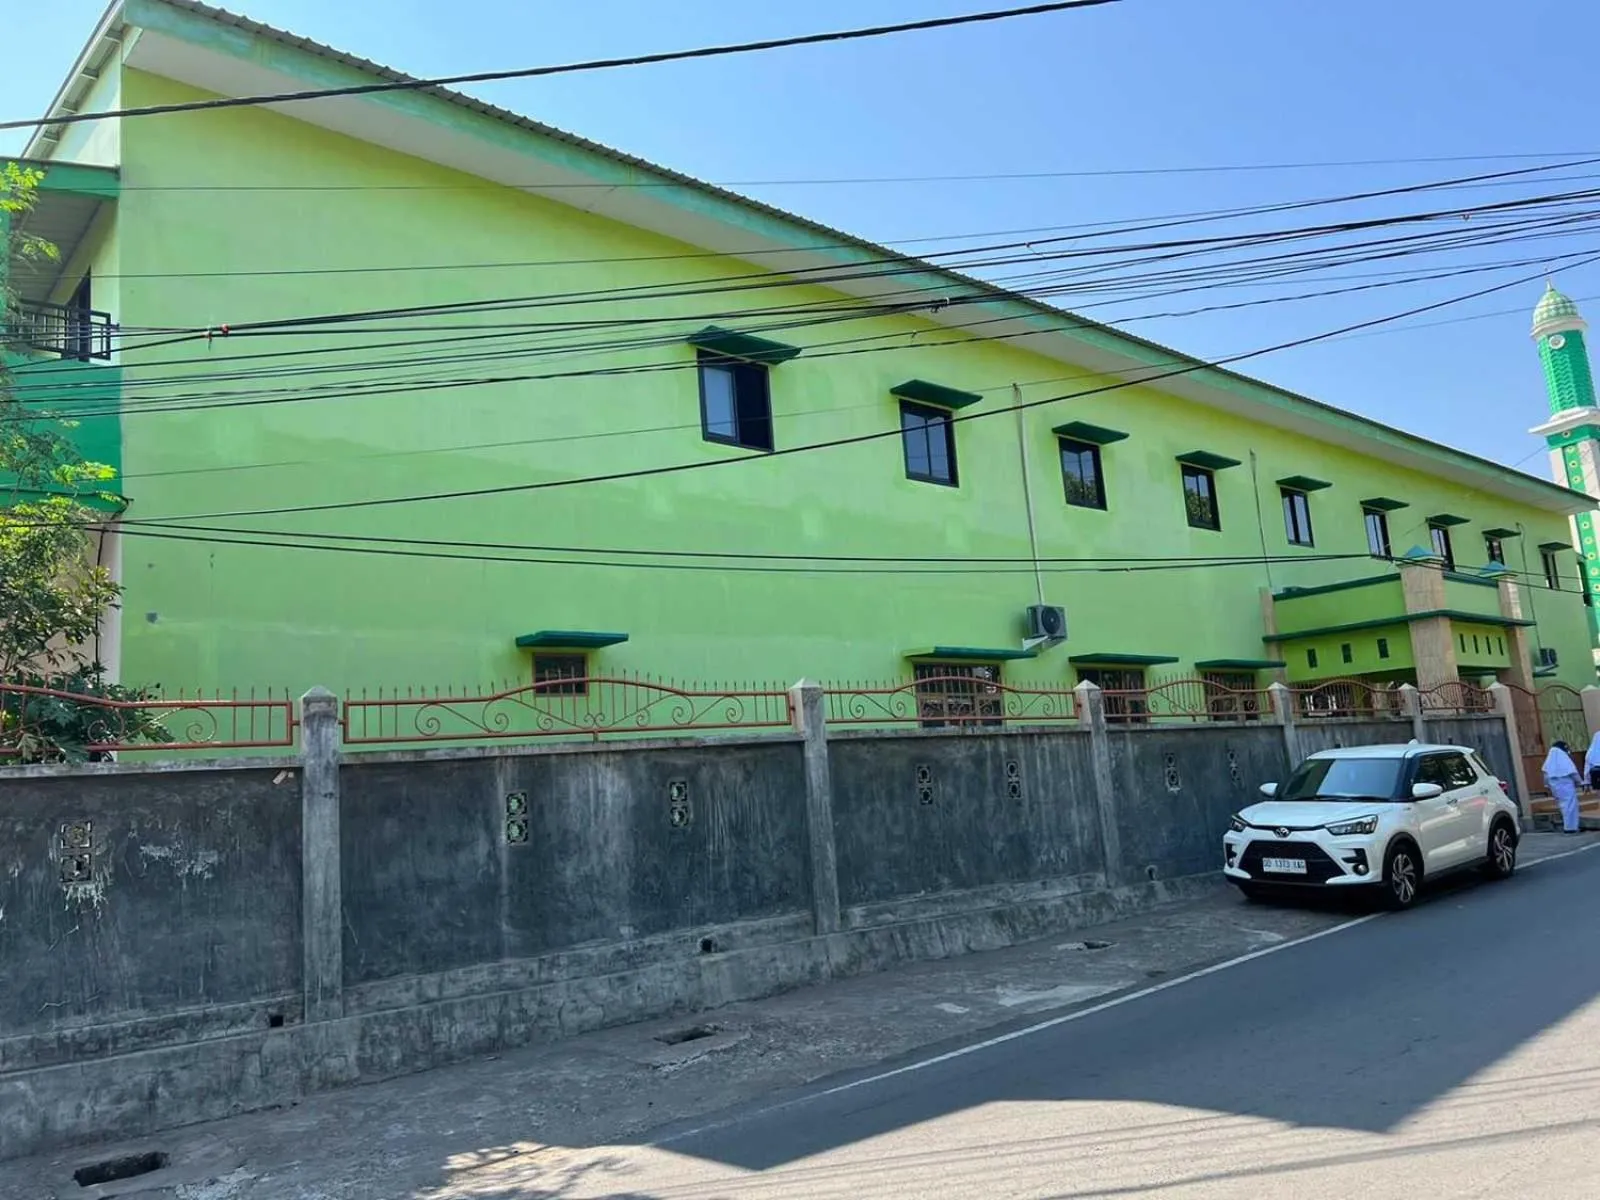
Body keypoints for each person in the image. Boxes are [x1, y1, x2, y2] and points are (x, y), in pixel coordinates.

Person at [1543, 741, 1583, 835]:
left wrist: (1548, 786)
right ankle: (1571, 828)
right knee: (1570, 806)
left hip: (1555, 787)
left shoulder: (1549, 760)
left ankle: (1568, 826)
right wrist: (1580, 782)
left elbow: (1545, 775)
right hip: (1566, 785)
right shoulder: (1563, 758)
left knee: (1563, 806)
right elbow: (1573, 772)